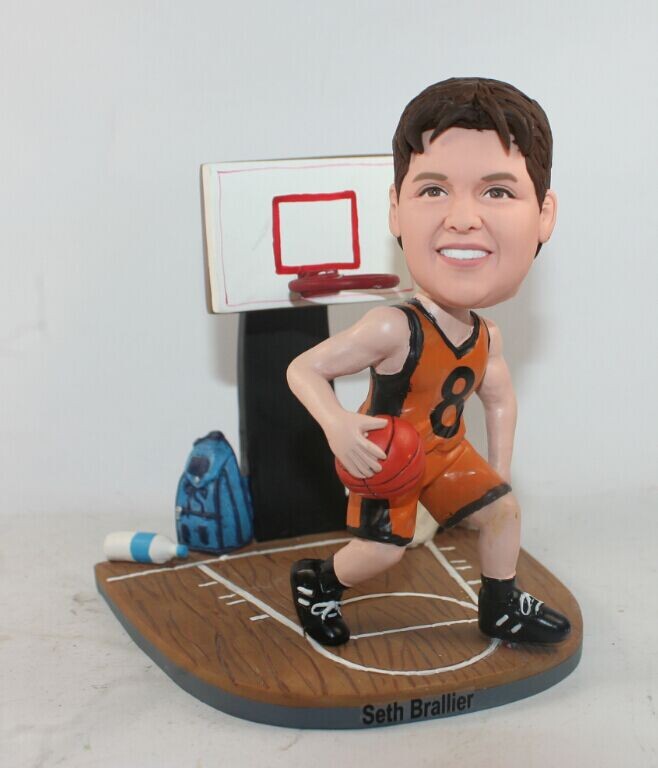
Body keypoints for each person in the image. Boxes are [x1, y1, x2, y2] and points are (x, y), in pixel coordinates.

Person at [286, 77, 570, 647]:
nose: (463, 218)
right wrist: (338, 425)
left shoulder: (486, 335)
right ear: (396, 209)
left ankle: (500, 604)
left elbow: (500, 399)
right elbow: (303, 369)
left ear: (544, 214)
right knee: (381, 553)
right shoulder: (394, 328)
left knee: (502, 512)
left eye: (496, 192)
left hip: (443, 455)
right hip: (389, 459)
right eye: (435, 189)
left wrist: (498, 472)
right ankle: (318, 580)